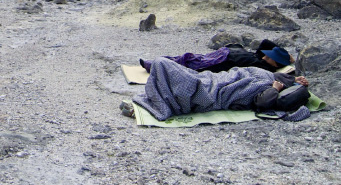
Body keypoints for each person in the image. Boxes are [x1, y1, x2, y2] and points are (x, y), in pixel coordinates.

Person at [123, 58, 309, 121]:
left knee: (168, 69)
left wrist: (275, 89)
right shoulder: (269, 76)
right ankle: (161, 86)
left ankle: (159, 94)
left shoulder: (268, 90)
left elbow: (262, 103)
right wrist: (293, 79)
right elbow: (240, 73)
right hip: (215, 79)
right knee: (177, 71)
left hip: (213, 91)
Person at [139, 40, 294, 75]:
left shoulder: (265, 67)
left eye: (270, 57)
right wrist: (288, 55)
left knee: (191, 63)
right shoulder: (261, 57)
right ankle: (157, 62)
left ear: (275, 63)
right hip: (224, 53)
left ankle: (155, 65)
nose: (267, 56)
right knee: (193, 57)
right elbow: (266, 43)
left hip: (223, 62)